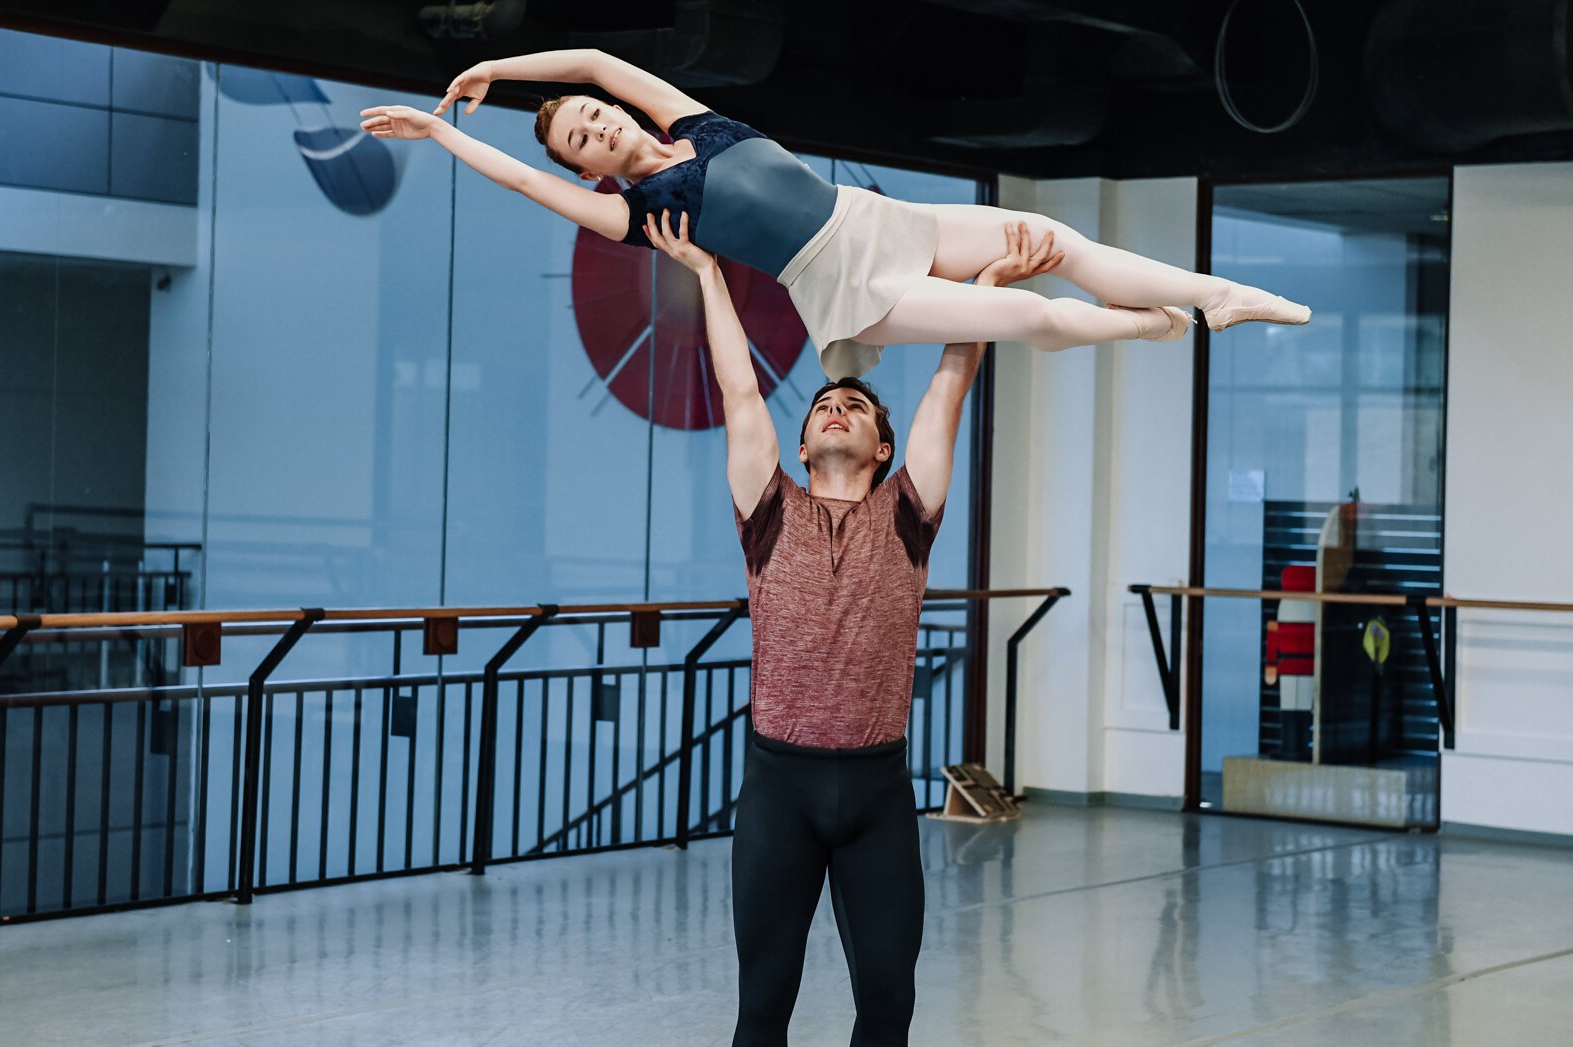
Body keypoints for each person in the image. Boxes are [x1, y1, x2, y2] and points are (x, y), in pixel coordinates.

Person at [641, 209, 1059, 1045]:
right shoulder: (767, 509)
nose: (836, 409)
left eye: (855, 408)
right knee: (762, 1004)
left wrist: (987, 292)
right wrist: (708, 275)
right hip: (778, 792)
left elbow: (949, 388)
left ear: (881, 448)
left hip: (876, 793)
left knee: (887, 1004)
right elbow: (738, 387)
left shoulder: (909, 512)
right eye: (824, 405)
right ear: (798, 448)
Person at [358, 48, 1308, 381]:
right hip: (846, 282)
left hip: (878, 220)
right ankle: (1149, 328)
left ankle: (1219, 296)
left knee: (1053, 238)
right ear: (586, 167)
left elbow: (600, 61)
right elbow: (526, 185)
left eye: (594, 114)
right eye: (579, 139)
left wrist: (498, 72)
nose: (598, 120)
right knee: (1024, 313)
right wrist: (443, 136)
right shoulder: (642, 212)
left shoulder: (692, 120)